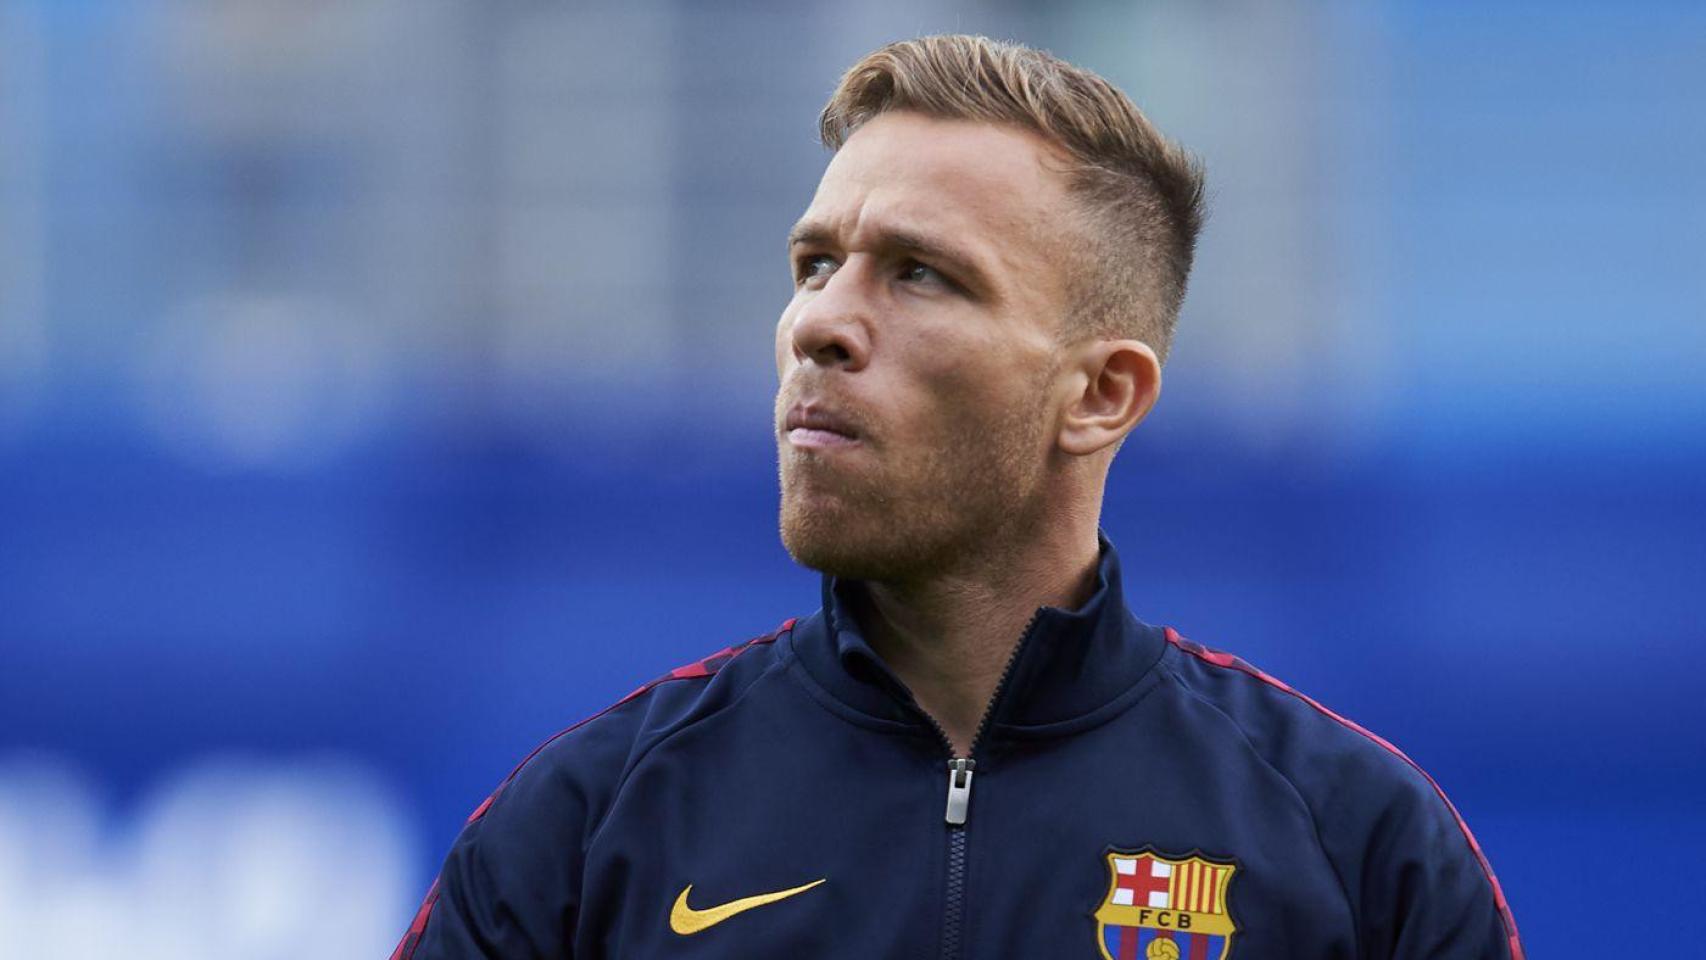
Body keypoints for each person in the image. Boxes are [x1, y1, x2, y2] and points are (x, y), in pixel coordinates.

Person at [392, 34, 1522, 960]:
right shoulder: (588, 826)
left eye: (920, 273)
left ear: (1101, 395)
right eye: (814, 264)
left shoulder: (1355, 844)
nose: (819, 324)